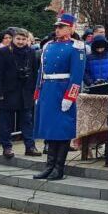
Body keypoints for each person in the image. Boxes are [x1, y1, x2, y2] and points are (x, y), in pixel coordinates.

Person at [32, 13, 85, 181]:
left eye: (61, 26)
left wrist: (70, 97)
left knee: (62, 130)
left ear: (70, 28)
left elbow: (77, 75)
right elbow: (41, 72)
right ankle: (49, 166)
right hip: (48, 90)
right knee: (50, 129)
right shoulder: (47, 46)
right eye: (56, 26)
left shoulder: (77, 47)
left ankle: (59, 168)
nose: (57, 29)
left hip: (63, 90)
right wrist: (37, 92)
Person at [0, 28, 41, 158]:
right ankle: (7, 147)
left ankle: (30, 146)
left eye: (23, 39)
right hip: (7, 92)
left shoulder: (31, 52)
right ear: (13, 39)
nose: (20, 42)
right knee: (6, 122)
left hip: (25, 92)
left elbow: (35, 72)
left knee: (27, 121)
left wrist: (34, 89)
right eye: (18, 39)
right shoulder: (3, 52)